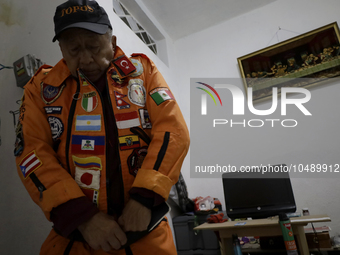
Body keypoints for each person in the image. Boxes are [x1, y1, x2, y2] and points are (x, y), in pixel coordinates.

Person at [14, 0, 190, 254]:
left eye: (94, 47)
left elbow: (173, 131)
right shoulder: (40, 89)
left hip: (145, 231)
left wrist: (144, 198)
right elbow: (31, 151)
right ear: (61, 49)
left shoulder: (143, 73)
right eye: (73, 49)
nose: (85, 59)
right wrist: (83, 217)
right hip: (76, 236)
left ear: (113, 41)